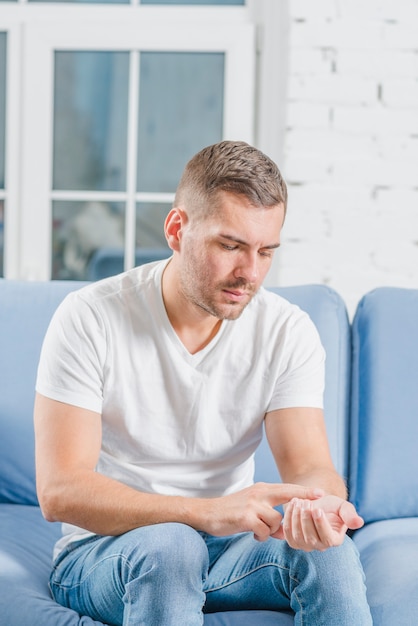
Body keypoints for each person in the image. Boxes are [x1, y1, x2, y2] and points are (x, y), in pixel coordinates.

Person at [34, 140, 372, 625]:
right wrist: (204, 512)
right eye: (230, 246)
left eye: (265, 252)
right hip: (108, 552)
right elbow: (60, 490)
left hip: (231, 548)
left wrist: (319, 508)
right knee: (171, 547)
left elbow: (311, 467)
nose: (249, 273)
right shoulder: (91, 317)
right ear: (177, 229)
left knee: (332, 555)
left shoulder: (287, 330)